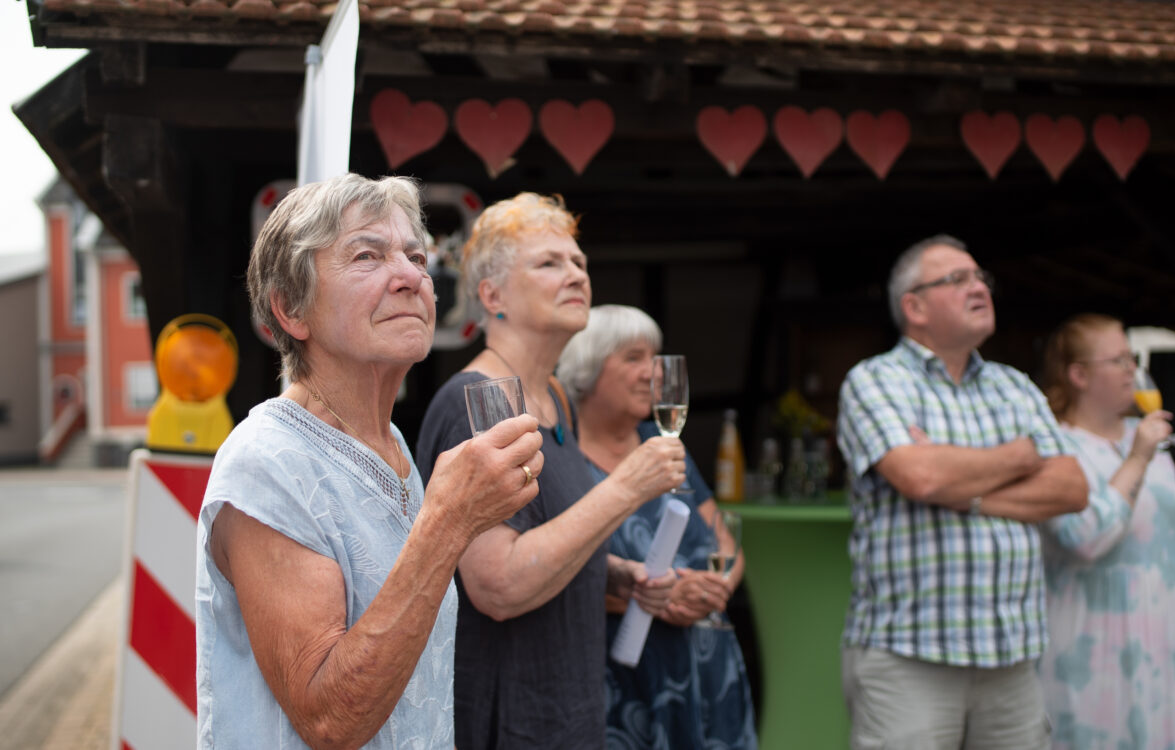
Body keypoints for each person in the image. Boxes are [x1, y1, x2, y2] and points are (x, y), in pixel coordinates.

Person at [195, 174, 545, 749]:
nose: (411, 277)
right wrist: (450, 521)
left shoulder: (393, 446)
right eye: (366, 256)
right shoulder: (269, 462)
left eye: (416, 256)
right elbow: (331, 720)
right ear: (290, 309)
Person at [415, 194, 685, 749]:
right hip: (505, 721)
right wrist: (626, 488)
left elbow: (540, 533)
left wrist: (613, 573)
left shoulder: (556, 398)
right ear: (493, 297)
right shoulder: (475, 401)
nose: (576, 274)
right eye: (549, 263)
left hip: (565, 712)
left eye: (579, 263)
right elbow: (498, 586)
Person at [836, 234, 1089, 750]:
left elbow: (1071, 487)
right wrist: (1018, 458)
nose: (978, 287)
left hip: (1011, 659)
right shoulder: (875, 380)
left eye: (980, 278)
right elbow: (920, 477)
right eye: (957, 279)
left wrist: (964, 489)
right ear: (915, 307)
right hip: (910, 657)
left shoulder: (1014, 385)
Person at [557, 303, 758, 750]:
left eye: (655, 358)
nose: (652, 372)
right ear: (588, 368)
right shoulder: (562, 460)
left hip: (708, 667)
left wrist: (709, 590)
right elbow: (557, 570)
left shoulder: (665, 444)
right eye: (633, 358)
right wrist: (661, 599)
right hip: (623, 677)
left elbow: (727, 546)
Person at [1038, 313, 1175, 749]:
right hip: (1097, 645)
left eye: (1132, 357)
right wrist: (1138, 459)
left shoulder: (1143, 433)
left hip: (1171, 639)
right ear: (1079, 375)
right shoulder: (1055, 446)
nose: (1133, 368)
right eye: (1118, 359)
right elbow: (1085, 539)